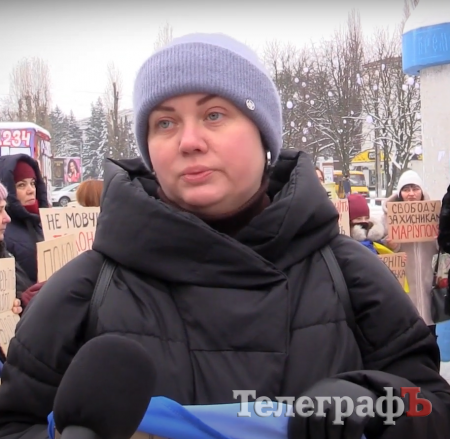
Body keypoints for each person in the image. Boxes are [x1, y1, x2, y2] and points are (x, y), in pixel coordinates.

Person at [0, 33, 449, 439]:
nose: (189, 141)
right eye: (165, 123)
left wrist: (376, 404)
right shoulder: (83, 290)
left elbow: (433, 408)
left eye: (214, 115)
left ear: (263, 135)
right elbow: (13, 422)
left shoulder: (351, 275)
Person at [382, 170, 436, 334]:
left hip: (429, 287)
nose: (411, 194)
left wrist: (440, 238)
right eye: (406, 189)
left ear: (422, 191)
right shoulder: (387, 218)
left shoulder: (434, 214)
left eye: (415, 188)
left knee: (431, 335)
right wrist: (391, 246)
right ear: (400, 193)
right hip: (403, 288)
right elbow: (380, 252)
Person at [0, 154, 49, 283]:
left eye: (33, 183)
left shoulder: (42, 223)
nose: (31, 190)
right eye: (21, 185)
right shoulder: (3, 231)